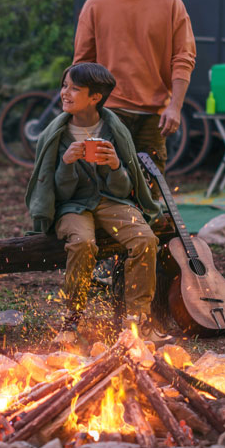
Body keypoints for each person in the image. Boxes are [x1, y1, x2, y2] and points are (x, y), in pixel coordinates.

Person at [26, 63, 168, 345]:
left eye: (74, 89)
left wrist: (115, 165)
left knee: (144, 239)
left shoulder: (114, 130)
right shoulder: (55, 135)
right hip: (72, 207)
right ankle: (71, 321)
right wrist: (66, 164)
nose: (65, 93)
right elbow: (59, 194)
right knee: (82, 243)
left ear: (95, 98)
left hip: (110, 202)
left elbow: (124, 189)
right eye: (64, 85)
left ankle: (138, 322)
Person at [73, 0, 197, 171]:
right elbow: (82, 65)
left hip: (154, 117)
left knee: (151, 191)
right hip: (108, 114)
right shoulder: (96, 4)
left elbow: (184, 57)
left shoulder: (170, 2)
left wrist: (175, 106)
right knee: (106, 187)